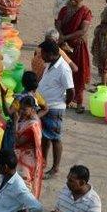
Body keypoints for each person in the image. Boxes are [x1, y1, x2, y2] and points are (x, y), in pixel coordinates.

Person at [36, 40, 74, 179]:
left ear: (52, 54)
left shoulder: (63, 69)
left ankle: (55, 169)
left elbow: (71, 91)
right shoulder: (50, 64)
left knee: (55, 138)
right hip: (45, 106)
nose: (41, 56)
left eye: (43, 54)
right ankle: (43, 162)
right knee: (45, 137)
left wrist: (63, 103)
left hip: (54, 108)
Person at [55, 0, 92, 112]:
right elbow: (58, 23)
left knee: (78, 74)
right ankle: (65, 100)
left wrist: (65, 37)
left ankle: (79, 103)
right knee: (62, 72)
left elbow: (83, 30)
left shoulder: (85, 12)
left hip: (77, 47)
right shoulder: (64, 10)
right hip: (64, 46)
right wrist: (61, 35)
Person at [13, 97, 45, 212]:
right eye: (20, 109)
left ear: (32, 109)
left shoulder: (32, 125)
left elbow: (18, 142)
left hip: (27, 161)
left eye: (24, 109)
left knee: (24, 189)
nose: (21, 111)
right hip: (23, 158)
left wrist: (16, 122)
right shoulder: (29, 119)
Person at [0, 71, 47, 152]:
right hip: (29, 131)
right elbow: (46, 109)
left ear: (23, 83)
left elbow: (8, 113)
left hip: (16, 130)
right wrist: (35, 117)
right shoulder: (36, 96)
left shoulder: (19, 98)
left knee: (9, 153)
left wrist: (3, 97)